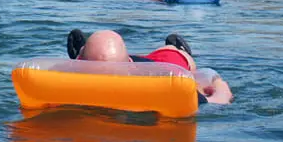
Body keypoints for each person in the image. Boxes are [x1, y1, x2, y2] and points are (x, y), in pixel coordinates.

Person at [66, 29, 233, 104]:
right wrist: (219, 85)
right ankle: (175, 49)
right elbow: (219, 101)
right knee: (171, 53)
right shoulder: (168, 88)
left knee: (174, 57)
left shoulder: (165, 81)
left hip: (150, 67)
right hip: (132, 66)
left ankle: (86, 49)